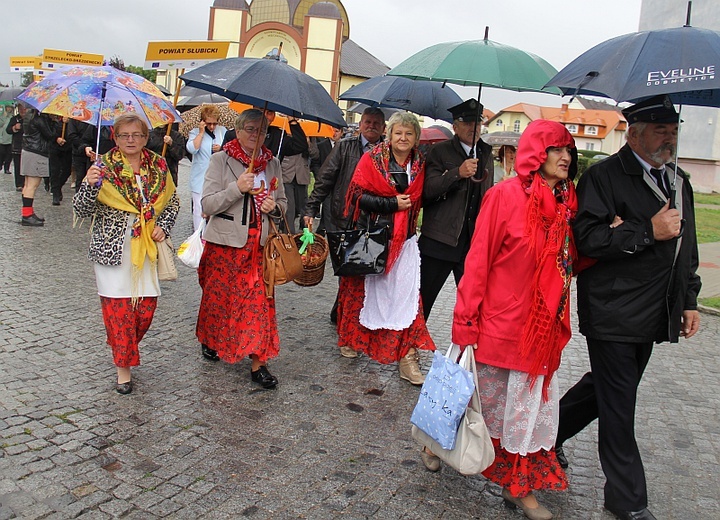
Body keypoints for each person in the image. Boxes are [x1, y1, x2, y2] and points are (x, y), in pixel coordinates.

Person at [424, 120, 579, 520]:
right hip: (497, 326)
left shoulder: (564, 206)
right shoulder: (503, 196)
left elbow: (565, 266)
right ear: (535, 154)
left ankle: (517, 486)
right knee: (471, 401)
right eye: (556, 149)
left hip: (538, 332)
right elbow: (477, 262)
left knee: (522, 416)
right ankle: (434, 442)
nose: (565, 158)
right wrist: (465, 322)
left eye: (569, 151)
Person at [556, 95, 701, 520]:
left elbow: (686, 247)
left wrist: (689, 300)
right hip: (614, 310)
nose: (669, 138)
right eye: (660, 131)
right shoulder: (604, 177)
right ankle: (627, 500)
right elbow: (586, 240)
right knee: (620, 404)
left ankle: (545, 439)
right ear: (634, 133)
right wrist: (646, 231)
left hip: (654, 310)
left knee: (604, 390)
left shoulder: (678, 180)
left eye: (673, 131)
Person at [72, 113, 179, 395]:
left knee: (145, 311)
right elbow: (81, 211)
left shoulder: (158, 164)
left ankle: (122, 344)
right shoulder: (102, 167)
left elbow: (172, 202)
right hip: (112, 250)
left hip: (146, 250)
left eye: (137, 135)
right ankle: (123, 369)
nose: (130, 140)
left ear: (146, 138)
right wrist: (88, 184)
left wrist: (164, 227)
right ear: (115, 138)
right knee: (119, 313)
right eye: (124, 135)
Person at [335, 111, 435, 384]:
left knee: (409, 300)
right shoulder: (373, 159)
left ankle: (407, 357)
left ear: (416, 138)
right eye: (398, 133)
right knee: (361, 294)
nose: (403, 138)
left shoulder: (420, 164)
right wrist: (391, 204)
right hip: (374, 237)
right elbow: (356, 195)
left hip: (405, 242)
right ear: (389, 135)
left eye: (409, 133)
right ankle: (352, 338)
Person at [195, 109, 287, 389]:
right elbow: (208, 205)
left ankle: (259, 363)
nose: (256, 135)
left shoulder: (272, 164)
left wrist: (275, 207)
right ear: (237, 130)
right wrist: (237, 188)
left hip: (259, 249)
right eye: (250, 129)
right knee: (219, 299)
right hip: (225, 246)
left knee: (261, 304)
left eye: (262, 131)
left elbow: (283, 203)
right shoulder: (220, 160)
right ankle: (211, 337)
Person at [303, 107, 386, 328]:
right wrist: (311, 209)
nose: (371, 126)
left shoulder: (387, 152)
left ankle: (347, 312)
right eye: (367, 122)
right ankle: (345, 313)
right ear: (360, 125)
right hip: (344, 218)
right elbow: (325, 179)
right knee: (348, 270)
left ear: (384, 128)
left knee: (367, 270)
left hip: (374, 220)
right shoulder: (344, 147)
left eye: (377, 123)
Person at [418, 99, 494, 321]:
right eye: (467, 122)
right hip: (440, 241)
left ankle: (468, 348)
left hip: (472, 244)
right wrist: (456, 174)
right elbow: (427, 190)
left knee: (475, 303)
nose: (473, 128)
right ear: (455, 126)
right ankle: (409, 345)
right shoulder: (439, 152)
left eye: (477, 123)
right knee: (423, 299)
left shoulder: (486, 153)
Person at [186, 105, 227, 230]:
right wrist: (201, 133)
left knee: (216, 207)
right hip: (200, 177)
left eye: (215, 123)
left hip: (217, 176)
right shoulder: (194, 132)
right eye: (209, 123)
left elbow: (229, 150)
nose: (212, 127)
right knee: (198, 208)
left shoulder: (223, 131)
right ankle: (198, 236)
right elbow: (192, 149)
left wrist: (221, 148)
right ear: (203, 121)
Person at [18, 108, 54, 226]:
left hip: (28, 150)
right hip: (36, 152)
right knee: (32, 185)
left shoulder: (29, 115)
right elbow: (50, 135)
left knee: (28, 184)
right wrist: (55, 123)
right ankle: (27, 216)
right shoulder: (39, 119)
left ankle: (28, 212)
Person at [308, 126, 344, 235]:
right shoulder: (322, 145)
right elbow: (315, 163)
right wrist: (321, 176)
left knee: (330, 214)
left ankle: (321, 232)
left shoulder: (345, 147)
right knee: (328, 211)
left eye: (337, 131)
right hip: (325, 184)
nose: (334, 133)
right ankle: (329, 234)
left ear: (342, 133)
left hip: (339, 187)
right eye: (332, 130)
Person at [48, 116, 73, 206]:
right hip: (55, 148)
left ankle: (58, 187)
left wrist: (68, 123)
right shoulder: (53, 117)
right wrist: (56, 138)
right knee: (55, 171)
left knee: (67, 171)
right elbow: (47, 131)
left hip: (68, 148)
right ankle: (55, 193)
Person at [0, 105, 13, 175]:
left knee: (9, 155)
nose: (9, 109)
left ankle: (7, 168)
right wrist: (4, 116)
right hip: (2, 139)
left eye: (10, 107)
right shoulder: (2, 116)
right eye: (8, 107)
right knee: (1, 153)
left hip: (10, 139)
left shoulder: (12, 117)